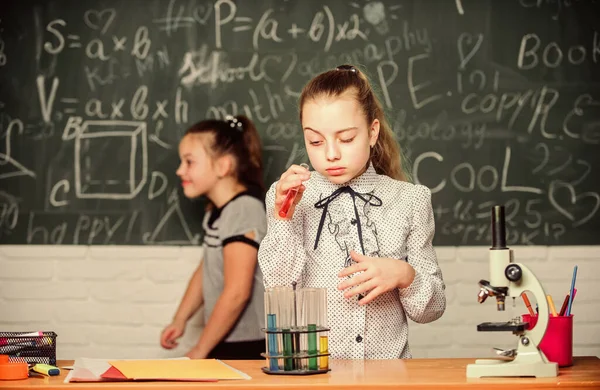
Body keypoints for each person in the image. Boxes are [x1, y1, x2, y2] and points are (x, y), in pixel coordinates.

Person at [258, 65, 446, 360]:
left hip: (389, 380)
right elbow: (278, 284)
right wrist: (282, 218)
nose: (331, 154)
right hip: (316, 376)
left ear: (372, 132)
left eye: (346, 139)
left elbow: (432, 309)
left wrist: (404, 275)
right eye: (315, 141)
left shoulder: (410, 200)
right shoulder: (290, 196)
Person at [160, 115, 267, 359]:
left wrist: (200, 349)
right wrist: (180, 319)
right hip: (226, 339)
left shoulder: (243, 210)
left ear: (223, 166)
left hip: (247, 345)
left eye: (189, 162)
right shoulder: (218, 211)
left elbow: (237, 292)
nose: (180, 170)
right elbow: (206, 268)